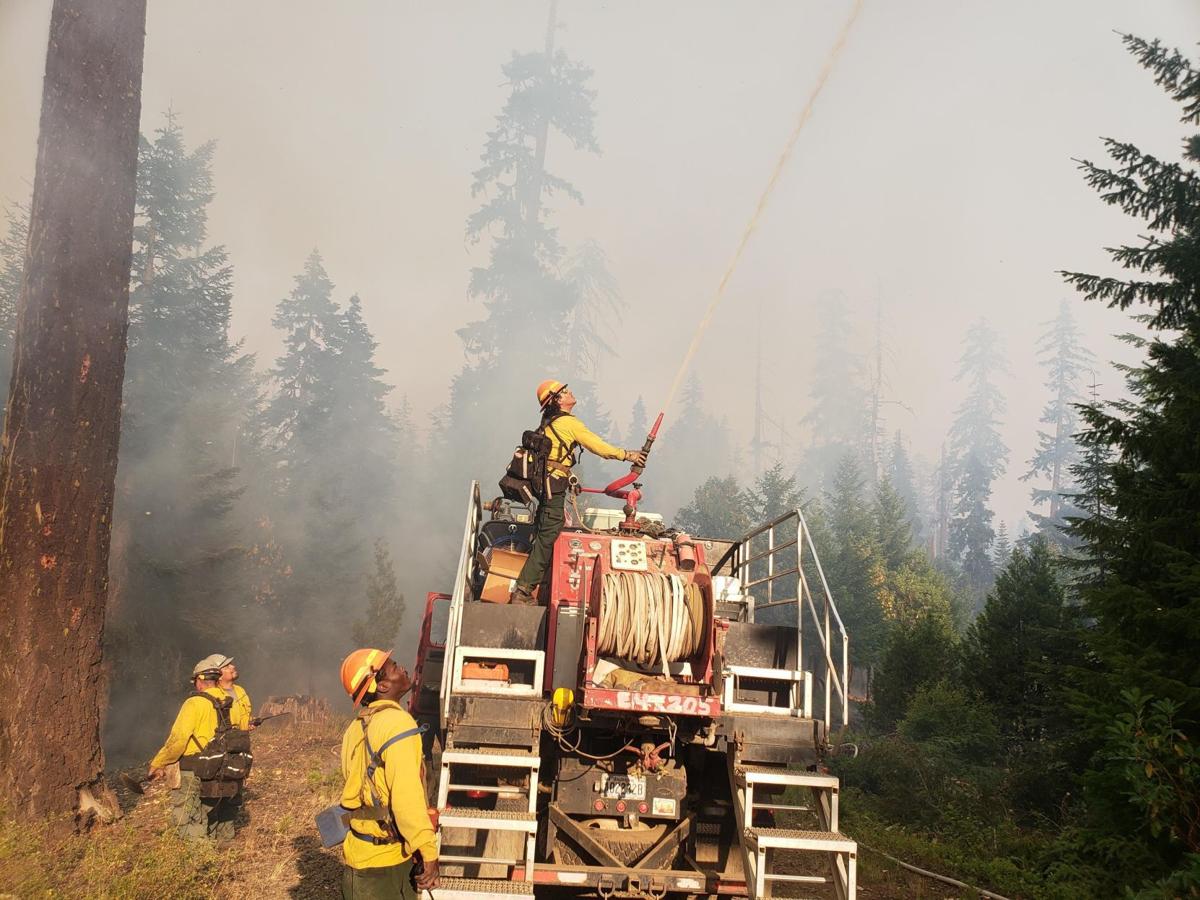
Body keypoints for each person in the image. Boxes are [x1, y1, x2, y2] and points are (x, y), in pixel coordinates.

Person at [511, 380, 646, 604]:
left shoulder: (550, 423)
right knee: (548, 534)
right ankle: (523, 590)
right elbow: (598, 446)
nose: (569, 392)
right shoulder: (567, 423)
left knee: (545, 530)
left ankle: (535, 587)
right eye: (564, 392)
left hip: (547, 486)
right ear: (556, 400)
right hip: (553, 487)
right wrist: (627, 455)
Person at [338, 648, 439, 899]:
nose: (402, 668)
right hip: (385, 869)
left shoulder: (355, 727)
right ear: (382, 686)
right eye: (394, 667)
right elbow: (406, 796)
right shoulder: (398, 723)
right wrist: (427, 850)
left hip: (361, 858)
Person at [147, 656, 243, 841]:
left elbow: (178, 739)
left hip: (195, 769)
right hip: (223, 767)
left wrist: (158, 763)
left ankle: (200, 854)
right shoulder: (231, 703)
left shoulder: (194, 703)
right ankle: (224, 848)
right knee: (215, 812)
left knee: (187, 817)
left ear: (199, 680)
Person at [214, 654, 253, 731]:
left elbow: (243, 718)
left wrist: (249, 723)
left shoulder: (240, 690)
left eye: (231, 664)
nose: (233, 666)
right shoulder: (214, 695)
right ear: (219, 676)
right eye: (227, 667)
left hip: (240, 736)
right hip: (223, 737)